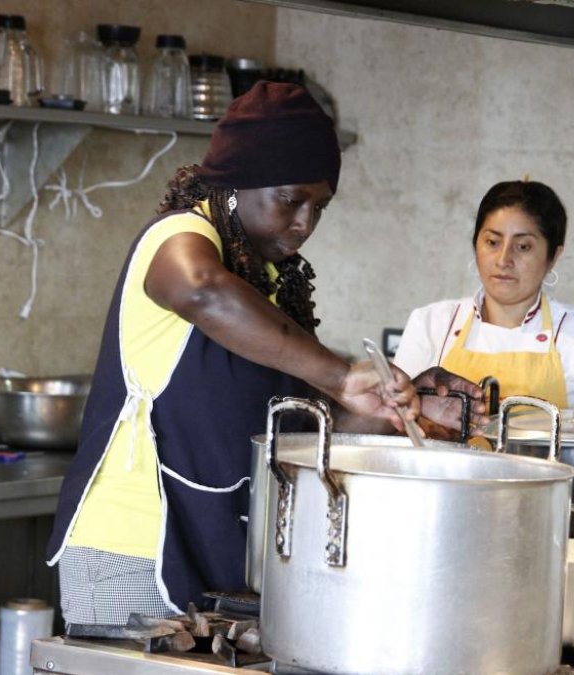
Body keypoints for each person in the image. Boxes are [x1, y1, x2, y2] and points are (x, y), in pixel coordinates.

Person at [45, 82, 460, 626]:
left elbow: (296, 425)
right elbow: (201, 291)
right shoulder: (178, 239)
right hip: (131, 553)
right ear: (237, 184)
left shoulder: (264, 286)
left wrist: (392, 408)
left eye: (320, 206)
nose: (305, 223)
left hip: (219, 555)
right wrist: (338, 374)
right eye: (291, 201)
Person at [393, 180, 574, 418]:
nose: (503, 259)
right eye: (492, 242)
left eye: (523, 246)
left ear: (553, 256)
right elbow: (392, 416)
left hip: (547, 493)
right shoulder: (433, 323)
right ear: (475, 245)